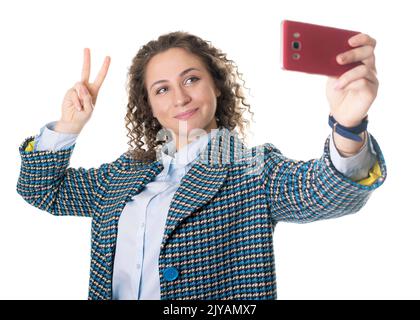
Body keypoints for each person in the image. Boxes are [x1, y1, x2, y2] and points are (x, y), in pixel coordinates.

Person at [17, 31, 386, 300]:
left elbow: (328, 192)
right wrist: (68, 126)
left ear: (217, 87)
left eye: (191, 79)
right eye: (161, 89)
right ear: (149, 104)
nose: (179, 97)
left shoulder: (252, 170)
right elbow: (42, 190)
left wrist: (348, 124)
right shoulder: (121, 174)